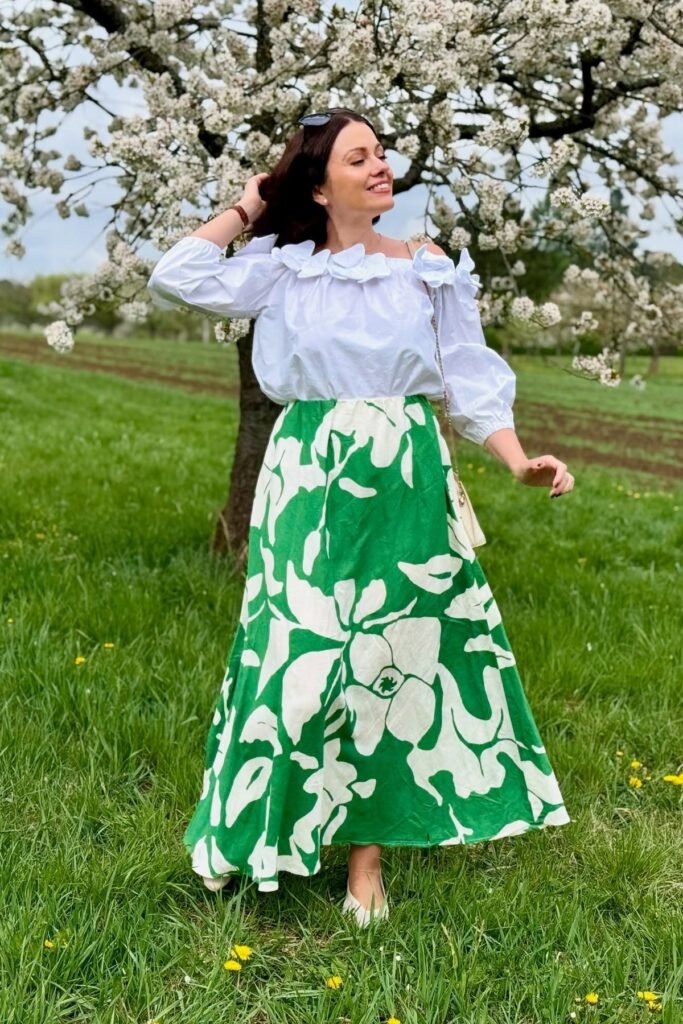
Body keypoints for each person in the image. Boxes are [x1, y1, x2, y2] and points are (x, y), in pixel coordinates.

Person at [147, 107, 574, 928]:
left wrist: (518, 458)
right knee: (295, 653)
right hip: (308, 476)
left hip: (405, 473)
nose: (382, 167)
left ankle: (366, 863)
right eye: (359, 157)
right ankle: (258, 827)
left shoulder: (427, 267)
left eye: (382, 153)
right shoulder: (283, 267)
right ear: (318, 183)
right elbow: (177, 274)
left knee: (392, 660)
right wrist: (249, 202)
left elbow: (467, 379)